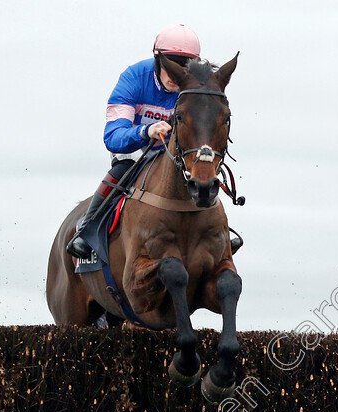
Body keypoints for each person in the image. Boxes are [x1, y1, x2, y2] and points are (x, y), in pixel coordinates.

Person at [66, 24, 243, 259]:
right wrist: (145, 131)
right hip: (136, 153)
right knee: (123, 168)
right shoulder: (134, 78)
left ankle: (218, 235)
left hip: (179, 157)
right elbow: (113, 136)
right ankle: (87, 229)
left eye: (185, 67)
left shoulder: (198, 88)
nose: (176, 75)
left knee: (203, 173)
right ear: (159, 61)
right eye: (172, 66)